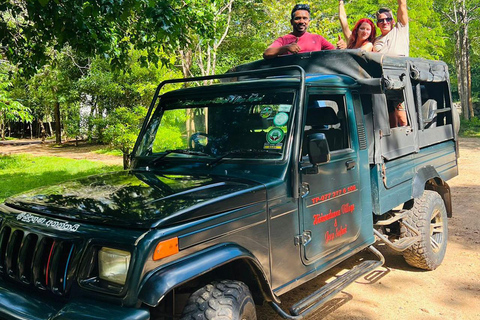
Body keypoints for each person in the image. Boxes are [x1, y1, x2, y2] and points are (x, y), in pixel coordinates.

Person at [263, 4, 335, 59]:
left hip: (314, 77)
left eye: (305, 18)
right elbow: (266, 53)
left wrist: (342, 46)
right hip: (292, 77)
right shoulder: (283, 40)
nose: (301, 21)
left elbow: (335, 53)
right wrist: (286, 48)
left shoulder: (318, 38)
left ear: (309, 22)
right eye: (298, 18)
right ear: (291, 22)